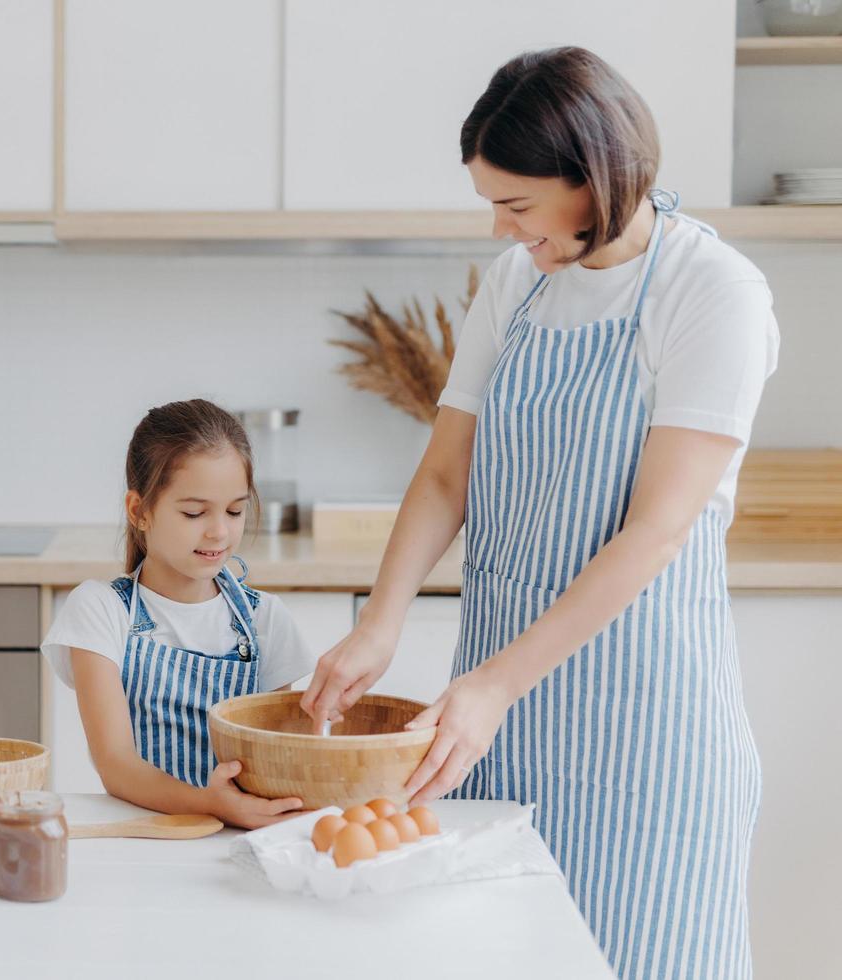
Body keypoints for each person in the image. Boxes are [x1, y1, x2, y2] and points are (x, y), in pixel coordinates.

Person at [300, 47, 777, 980]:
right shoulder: (517, 285)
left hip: (643, 734)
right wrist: (378, 624)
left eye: (517, 205)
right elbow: (446, 476)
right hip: (499, 729)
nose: (501, 227)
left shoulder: (711, 293)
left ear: (594, 175)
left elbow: (656, 530)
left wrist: (491, 686)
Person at [42, 399, 316, 829]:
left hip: (241, 840)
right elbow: (115, 764)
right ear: (139, 511)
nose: (219, 532)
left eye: (235, 510)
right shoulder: (100, 611)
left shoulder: (265, 620)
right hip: (143, 843)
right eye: (194, 512)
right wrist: (213, 804)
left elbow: (278, 759)